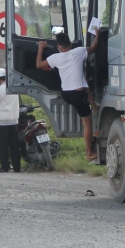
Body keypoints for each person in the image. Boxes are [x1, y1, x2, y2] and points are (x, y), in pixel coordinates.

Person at [37, 31, 99, 160]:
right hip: (77, 95)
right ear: (70, 44)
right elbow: (93, 48)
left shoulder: (55, 57)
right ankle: (88, 153)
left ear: (59, 47)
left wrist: (40, 48)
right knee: (87, 124)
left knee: (84, 86)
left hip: (66, 94)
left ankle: (94, 106)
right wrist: (97, 34)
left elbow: (38, 65)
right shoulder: (79, 51)